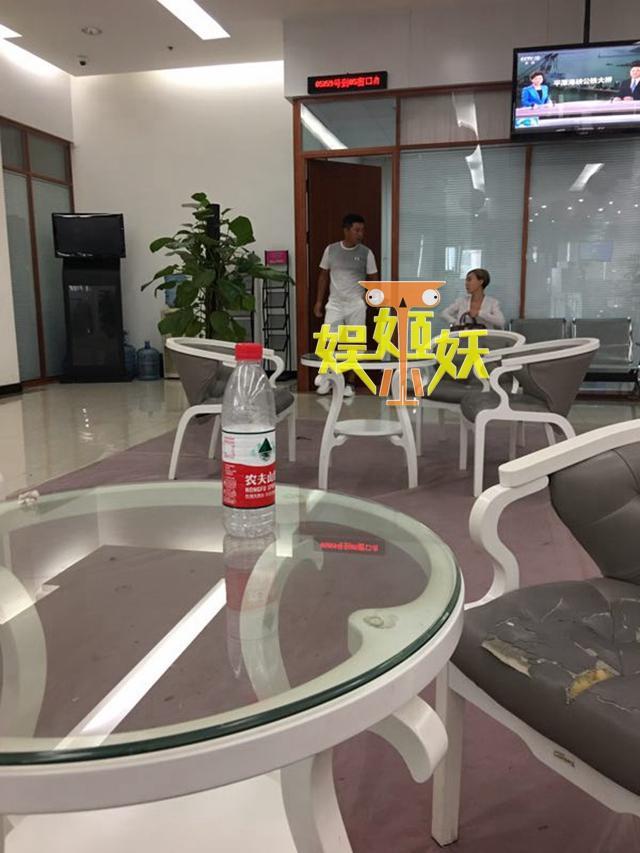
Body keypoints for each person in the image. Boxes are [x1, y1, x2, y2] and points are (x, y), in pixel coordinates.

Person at [313, 213, 378, 395]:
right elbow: (323, 275)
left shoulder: (366, 253)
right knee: (328, 342)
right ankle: (328, 378)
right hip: (334, 303)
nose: (360, 234)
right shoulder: (331, 250)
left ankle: (350, 383)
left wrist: (372, 300)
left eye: (362, 230)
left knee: (354, 344)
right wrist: (318, 301)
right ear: (346, 230)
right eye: (357, 230)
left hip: (356, 304)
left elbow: (374, 278)